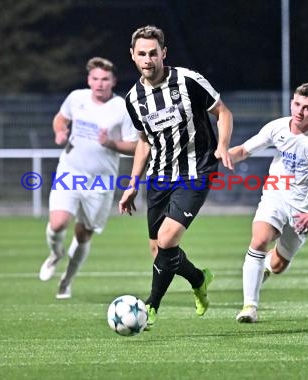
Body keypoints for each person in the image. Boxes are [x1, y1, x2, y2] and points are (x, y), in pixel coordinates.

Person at [118, 25, 234, 328]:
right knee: (158, 250)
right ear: (132, 56)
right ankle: (198, 278)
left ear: (163, 53)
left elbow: (222, 112)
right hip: (159, 176)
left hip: (197, 171)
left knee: (168, 239)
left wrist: (222, 146)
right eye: (141, 53)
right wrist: (132, 184)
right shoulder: (133, 98)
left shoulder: (188, 80)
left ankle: (149, 306)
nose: (148, 59)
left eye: (153, 53)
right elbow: (143, 141)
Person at [228, 83, 308, 323]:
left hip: (304, 209)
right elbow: (244, 150)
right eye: (297, 104)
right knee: (259, 239)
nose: (300, 111)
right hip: (275, 195)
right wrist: (223, 156)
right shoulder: (277, 127)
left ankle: (265, 266)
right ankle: (249, 307)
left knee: (278, 265)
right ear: (292, 102)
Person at [38, 57, 139, 299]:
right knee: (58, 223)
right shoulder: (76, 98)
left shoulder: (122, 107)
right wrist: (59, 131)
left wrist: (111, 143)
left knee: (83, 235)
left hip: (100, 181)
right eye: (95, 78)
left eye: (105, 79)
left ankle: (66, 281)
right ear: (89, 80)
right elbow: (60, 118)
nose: (100, 83)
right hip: (70, 172)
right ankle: (55, 254)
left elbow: (136, 146)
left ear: (113, 81)